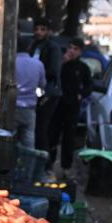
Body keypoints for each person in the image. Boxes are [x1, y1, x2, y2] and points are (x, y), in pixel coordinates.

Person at [51, 37, 94, 174]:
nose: (71, 51)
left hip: (73, 106)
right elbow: (53, 76)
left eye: (75, 49)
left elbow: (89, 86)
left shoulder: (83, 68)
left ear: (80, 52)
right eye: (70, 47)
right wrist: (63, 62)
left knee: (69, 138)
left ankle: (66, 167)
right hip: (57, 104)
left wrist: (81, 94)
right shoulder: (61, 64)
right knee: (52, 135)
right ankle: (49, 165)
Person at [30, 17, 63, 158]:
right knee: (36, 129)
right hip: (36, 92)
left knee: (42, 129)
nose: (39, 32)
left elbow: (53, 71)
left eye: (42, 29)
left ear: (48, 31)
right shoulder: (32, 46)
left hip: (48, 93)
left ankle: (44, 163)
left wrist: (36, 74)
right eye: (37, 29)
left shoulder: (52, 48)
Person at [14, 34, 46, 148]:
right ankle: (28, 164)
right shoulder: (38, 64)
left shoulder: (11, 63)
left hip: (13, 107)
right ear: (29, 47)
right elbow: (42, 85)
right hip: (29, 107)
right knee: (28, 139)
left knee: (11, 140)